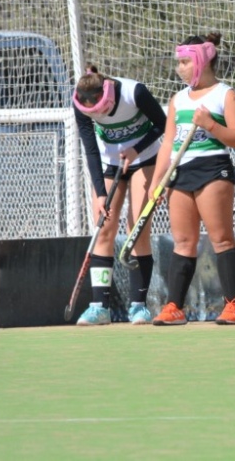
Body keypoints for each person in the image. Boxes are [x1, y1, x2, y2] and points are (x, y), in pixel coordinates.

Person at [151, 32, 235, 326]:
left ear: (202, 61)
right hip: (180, 172)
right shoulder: (177, 99)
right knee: (183, 241)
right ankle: (174, 307)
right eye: (178, 62)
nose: (179, 68)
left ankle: (233, 306)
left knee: (221, 239)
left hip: (212, 168)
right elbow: (168, 144)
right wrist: (158, 182)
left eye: (184, 62)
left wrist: (210, 125)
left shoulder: (225, 95)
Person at [72, 66, 167, 325]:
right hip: (109, 164)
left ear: (108, 95)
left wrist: (136, 149)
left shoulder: (133, 92)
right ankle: (99, 307)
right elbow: (91, 149)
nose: (98, 115)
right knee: (103, 228)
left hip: (145, 158)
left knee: (136, 228)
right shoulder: (80, 102)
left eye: (100, 110)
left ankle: (138, 306)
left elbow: (163, 125)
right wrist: (101, 194)